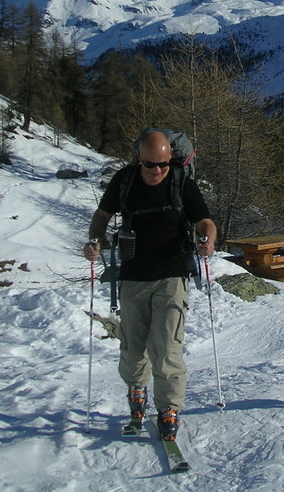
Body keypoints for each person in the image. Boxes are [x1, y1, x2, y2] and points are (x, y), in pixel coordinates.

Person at [83, 129, 216, 440]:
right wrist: (94, 241)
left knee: (167, 346)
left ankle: (168, 407)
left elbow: (205, 221)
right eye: (150, 165)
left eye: (163, 164)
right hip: (133, 274)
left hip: (172, 273)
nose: (157, 170)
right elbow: (102, 215)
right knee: (132, 345)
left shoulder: (181, 181)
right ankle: (136, 388)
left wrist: (208, 240)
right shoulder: (125, 180)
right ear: (138, 159)